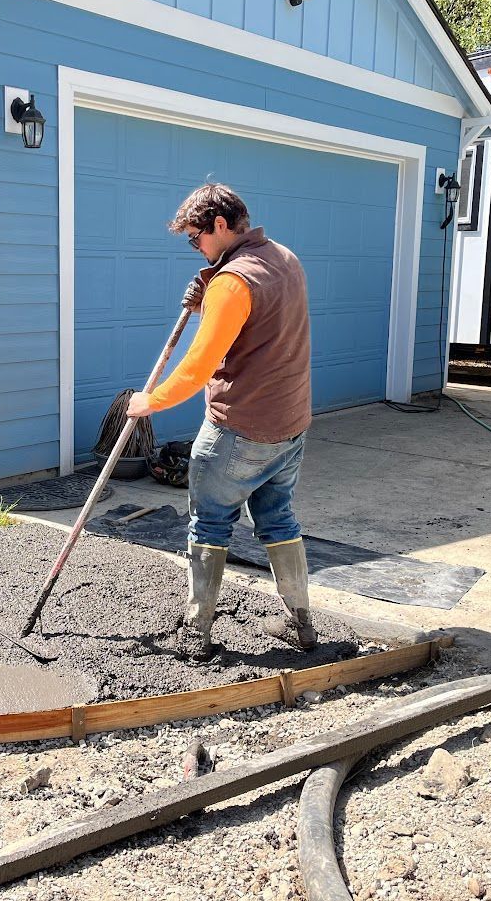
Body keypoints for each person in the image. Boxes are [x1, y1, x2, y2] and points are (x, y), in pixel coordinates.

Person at [127, 183, 315, 661]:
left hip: (239, 428)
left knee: (209, 522)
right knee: (278, 518)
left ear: (220, 226)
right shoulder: (285, 259)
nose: (195, 248)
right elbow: (258, 325)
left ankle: (196, 632)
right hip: (290, 425)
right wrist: (209, 288)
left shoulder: (233, 283)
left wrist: (151, 401)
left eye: (196, 239)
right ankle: (301, 623)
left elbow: (197, 364)